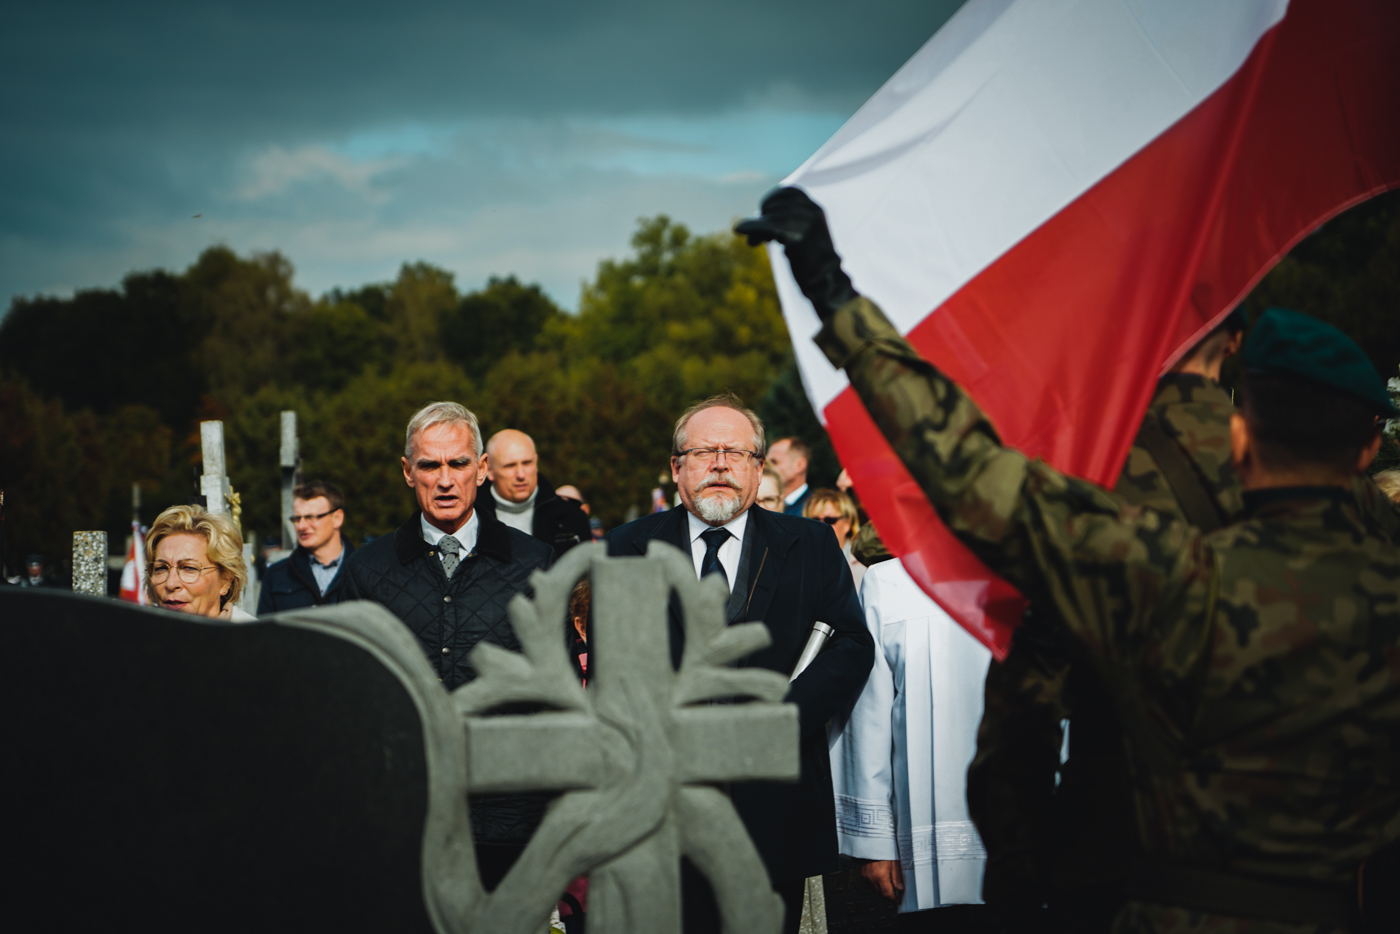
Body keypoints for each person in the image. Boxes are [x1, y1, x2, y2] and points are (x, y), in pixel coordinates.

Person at [741, 187, 1400, 932]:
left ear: (1242, 438)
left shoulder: (1162, 566)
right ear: (1371, 447)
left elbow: (965, 463)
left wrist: (831, 288)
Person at [969, 312, 1249, 931]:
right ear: (1235, 341)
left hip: (1115, 846)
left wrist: (1018, 863)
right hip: (1285, 856)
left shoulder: (1088, 470)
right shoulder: (1312, 476)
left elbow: (1030, 694)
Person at [605, 392, 874, 934]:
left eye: (736, 452)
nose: (721, 464)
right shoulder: (623, 548)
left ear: (758, 467)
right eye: (705, 452)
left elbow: (851, 645)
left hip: (776, 805)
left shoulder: (811, 544)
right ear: (677, 468)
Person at [342, 402, 556, 889]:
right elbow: (350, 697)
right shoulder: (368, 571)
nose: (444, 480)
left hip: (509, 816)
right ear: (407, 472)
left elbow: (558, 692)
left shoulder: (535, 564)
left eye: (458, 463)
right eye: (429, 465)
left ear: (482, 470)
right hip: (405, 815)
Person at [830, 555, 992, 927]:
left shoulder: (1043, 572)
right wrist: (874, 843)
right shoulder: (889, 581)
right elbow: (867, 712)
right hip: (923, 841)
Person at [476, 428, 592, 557]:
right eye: (510, 465)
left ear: (536, 462)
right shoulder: (469, 517)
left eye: (526, 463)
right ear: (489, 470)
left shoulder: (572, 516)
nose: (521, 474)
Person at [257, 480, 355, 613]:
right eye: (297, 519)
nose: (301, 526)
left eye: (310, 517)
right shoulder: (275, 576)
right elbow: (265, 632)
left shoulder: (364, 571)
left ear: (337, 518)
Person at [144, 504, 254, 622]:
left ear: (225, 581)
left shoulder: (256, 638)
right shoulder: (134, 636)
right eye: (161, 568)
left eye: (189, 568)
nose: (170, 584)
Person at [804, 487, 865, 591]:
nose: (821, 525)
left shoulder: (863, 564)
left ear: (847, 523)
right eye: (815, 520)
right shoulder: (799, 560)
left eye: (830, 520)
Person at [767, 437, 813, 515]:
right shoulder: (760, 503)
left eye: (774, 462)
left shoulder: (814, 510)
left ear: (799, 465)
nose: (766, 467)